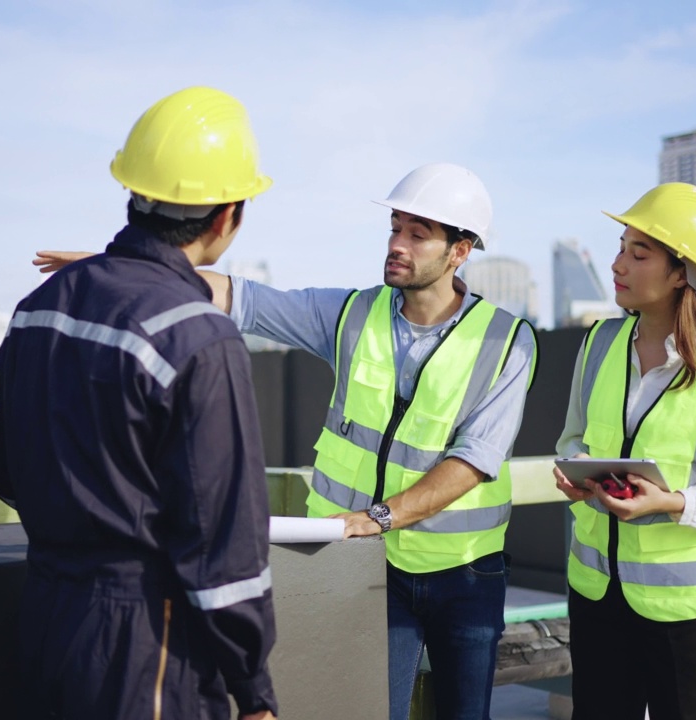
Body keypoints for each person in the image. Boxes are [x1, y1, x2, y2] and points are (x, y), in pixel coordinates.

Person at [37, 162, 538, 720]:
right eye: (395, 227)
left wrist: (378, 516)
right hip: (369, 567)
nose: (397, 244)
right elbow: (244, 297)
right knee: (373, 711)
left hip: (464, 573)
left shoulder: (507, 341)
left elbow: (474, 460)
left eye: (417, 234)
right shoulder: (349, 314)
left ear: (460, 251)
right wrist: (129, 272)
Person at [0, 86, 278, 720]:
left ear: (134, 193)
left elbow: (3, 472)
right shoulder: (200, 336)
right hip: (148, 646)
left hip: (43, 623)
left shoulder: (38, 308)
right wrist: (253, 691)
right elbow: (225, 548)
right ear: (230, 214)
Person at [552, 182, 696, 720]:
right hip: (599, 596)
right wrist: (583, 478)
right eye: (622, 246)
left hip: (690, 612)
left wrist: (671, 503)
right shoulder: (598, 344)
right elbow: (572, 440)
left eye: (638, 252)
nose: (617, 263)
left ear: (683, 273)